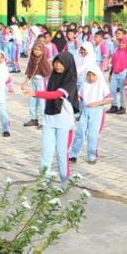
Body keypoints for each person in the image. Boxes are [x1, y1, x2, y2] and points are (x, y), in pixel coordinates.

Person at [22, 52, 78, 185]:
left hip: (64, 122)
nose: (57, 65)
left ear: (68, 64)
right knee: (46, 152)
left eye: (61, 63)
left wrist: (36, 93)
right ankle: (44, 180)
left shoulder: (71, 80)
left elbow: (57, 94)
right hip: (49, 119)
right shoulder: (52, 77)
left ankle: (64, 181)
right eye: (56, 62)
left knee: (61, 153)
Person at [69, 64, 111, 164]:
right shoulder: (85, 84)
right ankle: (73, 154)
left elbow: (109, 100)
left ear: (97, 75)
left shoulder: (102, 85)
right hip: (85, 111)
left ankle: (92, 156)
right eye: (89, 75)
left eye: (93, 75)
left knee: (92, 134)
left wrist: (96, 103)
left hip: (97, 111)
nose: (91, 78)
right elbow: (79, 97)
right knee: (80, 133)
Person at [22, 38, 52, 127]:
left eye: (39, 50)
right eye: (35, 49)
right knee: (33, 100)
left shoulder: (44, 61)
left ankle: (43, 121)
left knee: (42, 101)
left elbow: (48, 74)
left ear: (42, 51)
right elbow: (30, 72)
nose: (37, 51)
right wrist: (24, 83)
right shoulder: (32, 59)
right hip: (33, 80)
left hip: (41, 81)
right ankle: (33, 119)